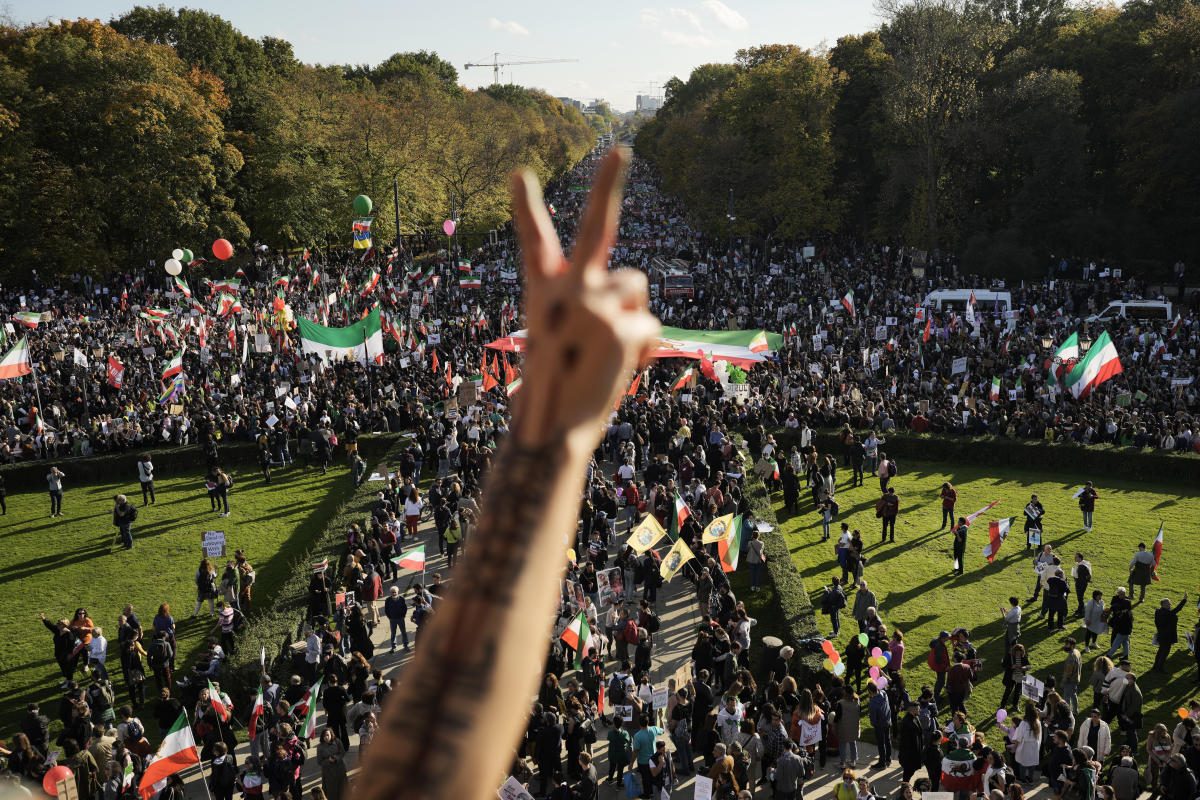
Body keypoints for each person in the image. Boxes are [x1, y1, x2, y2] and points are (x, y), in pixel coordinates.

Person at [1153, 593, 1190, 672]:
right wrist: (1184, 599)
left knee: (1160, 651)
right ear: (1164, 605)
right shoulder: (1166, 613)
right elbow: (1177, 609)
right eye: (1169, 604)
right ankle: (1160, 668)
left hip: (1161, 634)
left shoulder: (1158, 612)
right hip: (1167, 636)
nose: (1170, 605)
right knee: (1165, 652)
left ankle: (1155, 666)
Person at [316, 727, 348, 800]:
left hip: (340, 770)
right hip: (328, 773)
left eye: (327, 735)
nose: (326, 737)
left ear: (331, 735)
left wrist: (336, 758)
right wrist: (328, 760)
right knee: (332, 792)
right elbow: (319, 761)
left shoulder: (337, 741)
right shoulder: (320, 747)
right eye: (324, 736)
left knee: (343, 790)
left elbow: (342, 752)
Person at [867, 682, 892, 769]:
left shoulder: (873, 703)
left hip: (879, 725)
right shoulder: (884, 693)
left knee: (881, 743)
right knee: (887, 740)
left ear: (870, 691)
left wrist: (872, 722)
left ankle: (882, 763)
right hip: (887, 721)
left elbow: (874, 718)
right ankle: (888, 759)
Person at [1072, 553, 1093, 618]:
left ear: (1080, 558)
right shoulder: (1079, 564)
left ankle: (1082, 613)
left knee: (1080, 598)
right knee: (1080, 597)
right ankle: (1079, 610)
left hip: (1081, 584)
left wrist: (1087, 580)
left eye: (1076, 557)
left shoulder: (1083, 566)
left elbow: (1088, 575)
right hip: (1079, 583)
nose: (1074, 558)